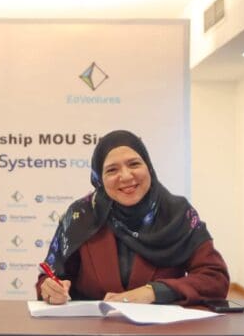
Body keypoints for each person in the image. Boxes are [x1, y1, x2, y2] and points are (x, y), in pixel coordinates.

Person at [38, 130, 228, 305]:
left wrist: (153, 292)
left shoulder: (177, 213)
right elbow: (50, 277)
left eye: (134, 164)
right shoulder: (81, 215)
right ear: (99, 179)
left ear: (149, 167)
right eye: (112, 170)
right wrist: (50, 288)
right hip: (94, 328)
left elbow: (215, 278)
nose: (126, 176)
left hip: (160, 329)